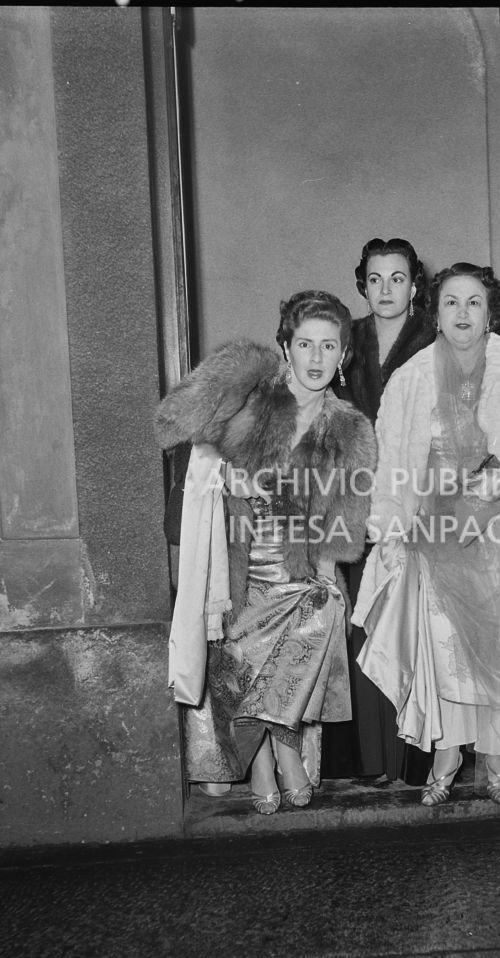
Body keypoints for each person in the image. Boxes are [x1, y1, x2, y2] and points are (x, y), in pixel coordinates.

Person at [353, 262, 500, 806]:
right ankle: (446, 756)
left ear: (491, 311)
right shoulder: (410, 378)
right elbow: (390, 462)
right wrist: (391, 526)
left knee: (495, 651)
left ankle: (499, 758)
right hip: (435, 534)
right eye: (451, 302)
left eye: (474, 302)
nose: (463, 313)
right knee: (444, 652)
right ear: (435, 312)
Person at [154, 290, 376, 814]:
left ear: (344, 354)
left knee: (325, 605)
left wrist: (326, 572)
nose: (316, 358)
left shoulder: (351, 429)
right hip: (237, 559)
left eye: (329, 345)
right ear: (285, 347)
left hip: (300, 563)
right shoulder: (252, 396)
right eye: (305, 344)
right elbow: (171, 428)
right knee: (238, 639)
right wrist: (224, 471)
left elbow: (344, 525)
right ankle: (263, 758)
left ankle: (279, 747)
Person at [321, 237, 436, 785]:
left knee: (415, 627)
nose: (386, 289)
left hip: (419, 501)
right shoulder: (344, 342)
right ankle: (368, 760)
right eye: (375, 279)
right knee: (360, 626)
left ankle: (415, 760)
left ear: (415, 286)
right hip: (355, 501)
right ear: (362, 287)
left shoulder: (436, 339)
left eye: (397, 278)